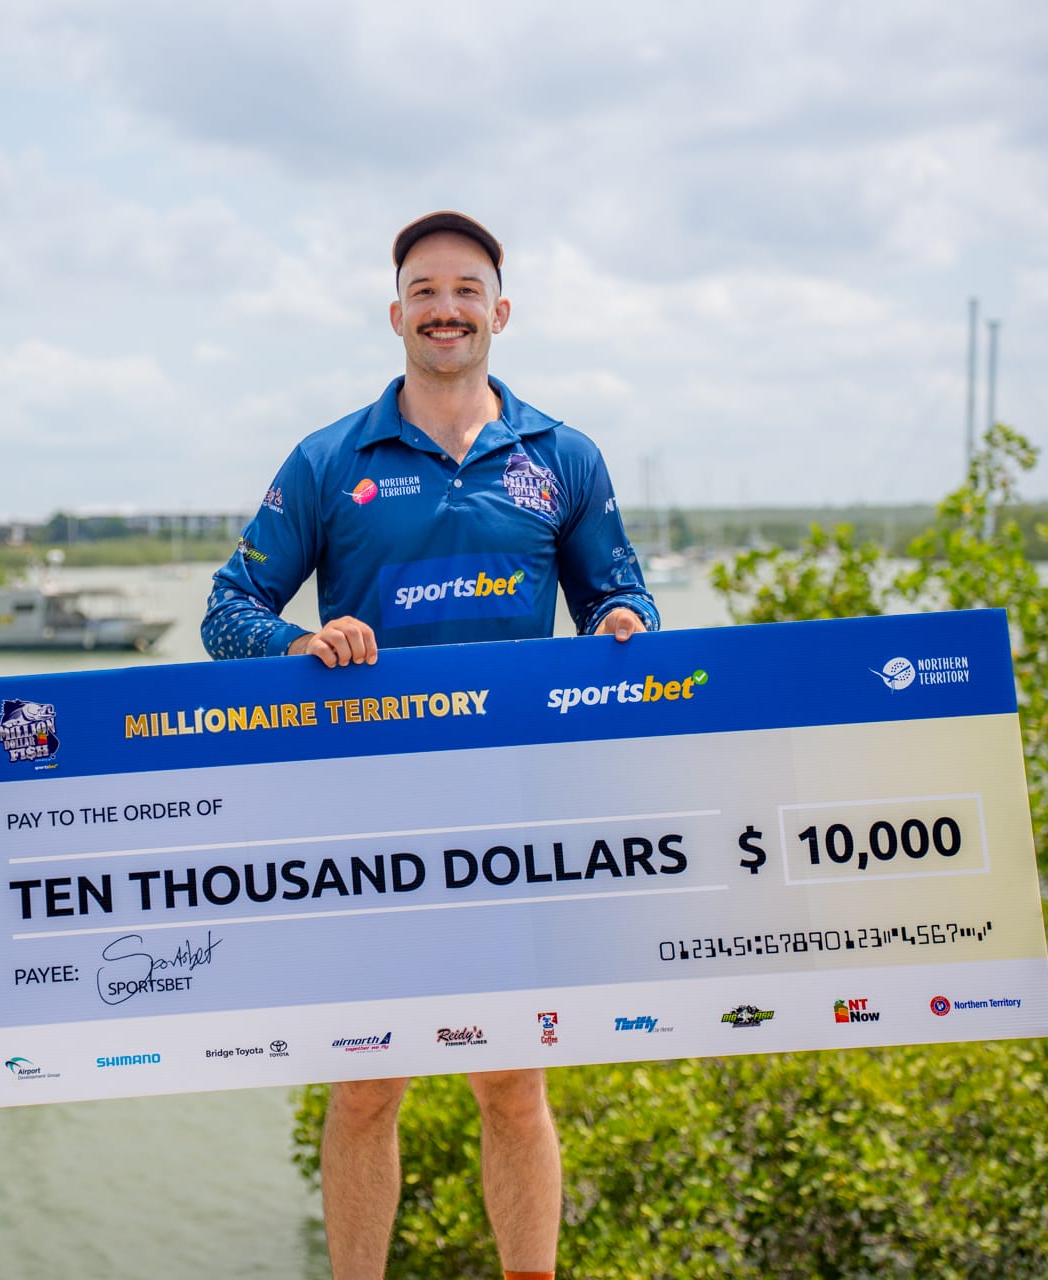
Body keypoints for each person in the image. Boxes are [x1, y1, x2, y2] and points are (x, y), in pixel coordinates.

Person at [201, 211, 659, 1280]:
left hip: (516, 808)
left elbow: (619, 595)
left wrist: (623, 625)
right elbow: (228, 612)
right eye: (423, 289)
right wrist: (300, 638)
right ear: (395, 310)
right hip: (365, 813)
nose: (445, 308)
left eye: (465, 290)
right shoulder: (328, 459)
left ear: (499, 311)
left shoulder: (562, 455)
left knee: (513, 1081)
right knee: (367, 1082)